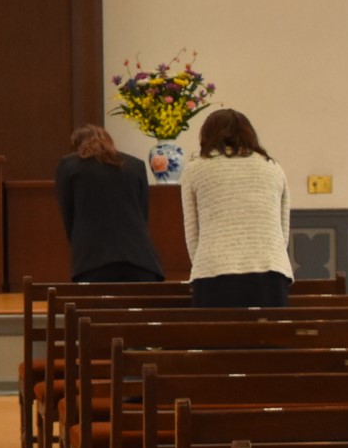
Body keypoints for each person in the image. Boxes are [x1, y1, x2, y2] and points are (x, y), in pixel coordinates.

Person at [179, 107, 294, 309]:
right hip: (270, 270)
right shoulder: (273, 168)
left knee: (217, 331)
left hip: (214, 270)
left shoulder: (196, 169)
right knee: (267, 330)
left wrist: (202, 263)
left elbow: (192, 230)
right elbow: (283, 228)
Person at [54, 124, 164, 284]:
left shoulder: (69, 165)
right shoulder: (136, 165)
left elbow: (68, 215)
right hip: (141, 261)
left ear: (76, 146)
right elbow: (143, 214)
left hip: (92, 262)